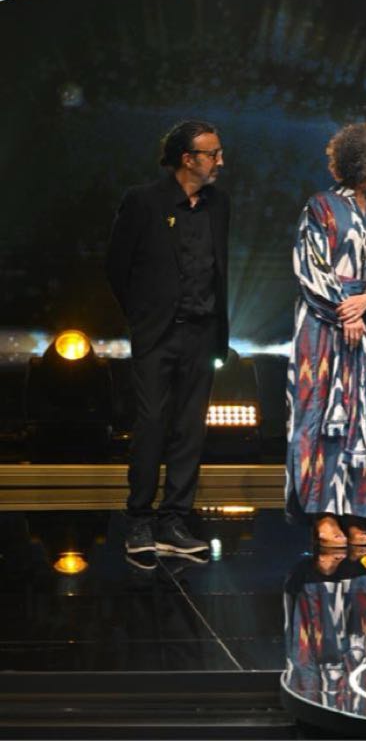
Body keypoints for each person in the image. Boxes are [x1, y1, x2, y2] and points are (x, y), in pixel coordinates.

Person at [106, 120, 230, 559]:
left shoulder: (219, 203)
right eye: (212, 154)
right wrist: (143, 317)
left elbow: (217, 266)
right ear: (187, 158)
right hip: (158, 332)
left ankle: (174, 519)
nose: (220, 161)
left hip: (202, 331)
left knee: (190, 428)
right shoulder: (143, 200)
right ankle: (139, 519)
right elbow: (117, 267)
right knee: (152, 422)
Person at [286, 123, 366, 549]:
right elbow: (310, 267)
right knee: (318, 417)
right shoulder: (320, 206)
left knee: (365, 419)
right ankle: (322, 513)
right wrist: (344, 309)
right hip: (322, 329)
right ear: (363, 163)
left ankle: (358, 511)